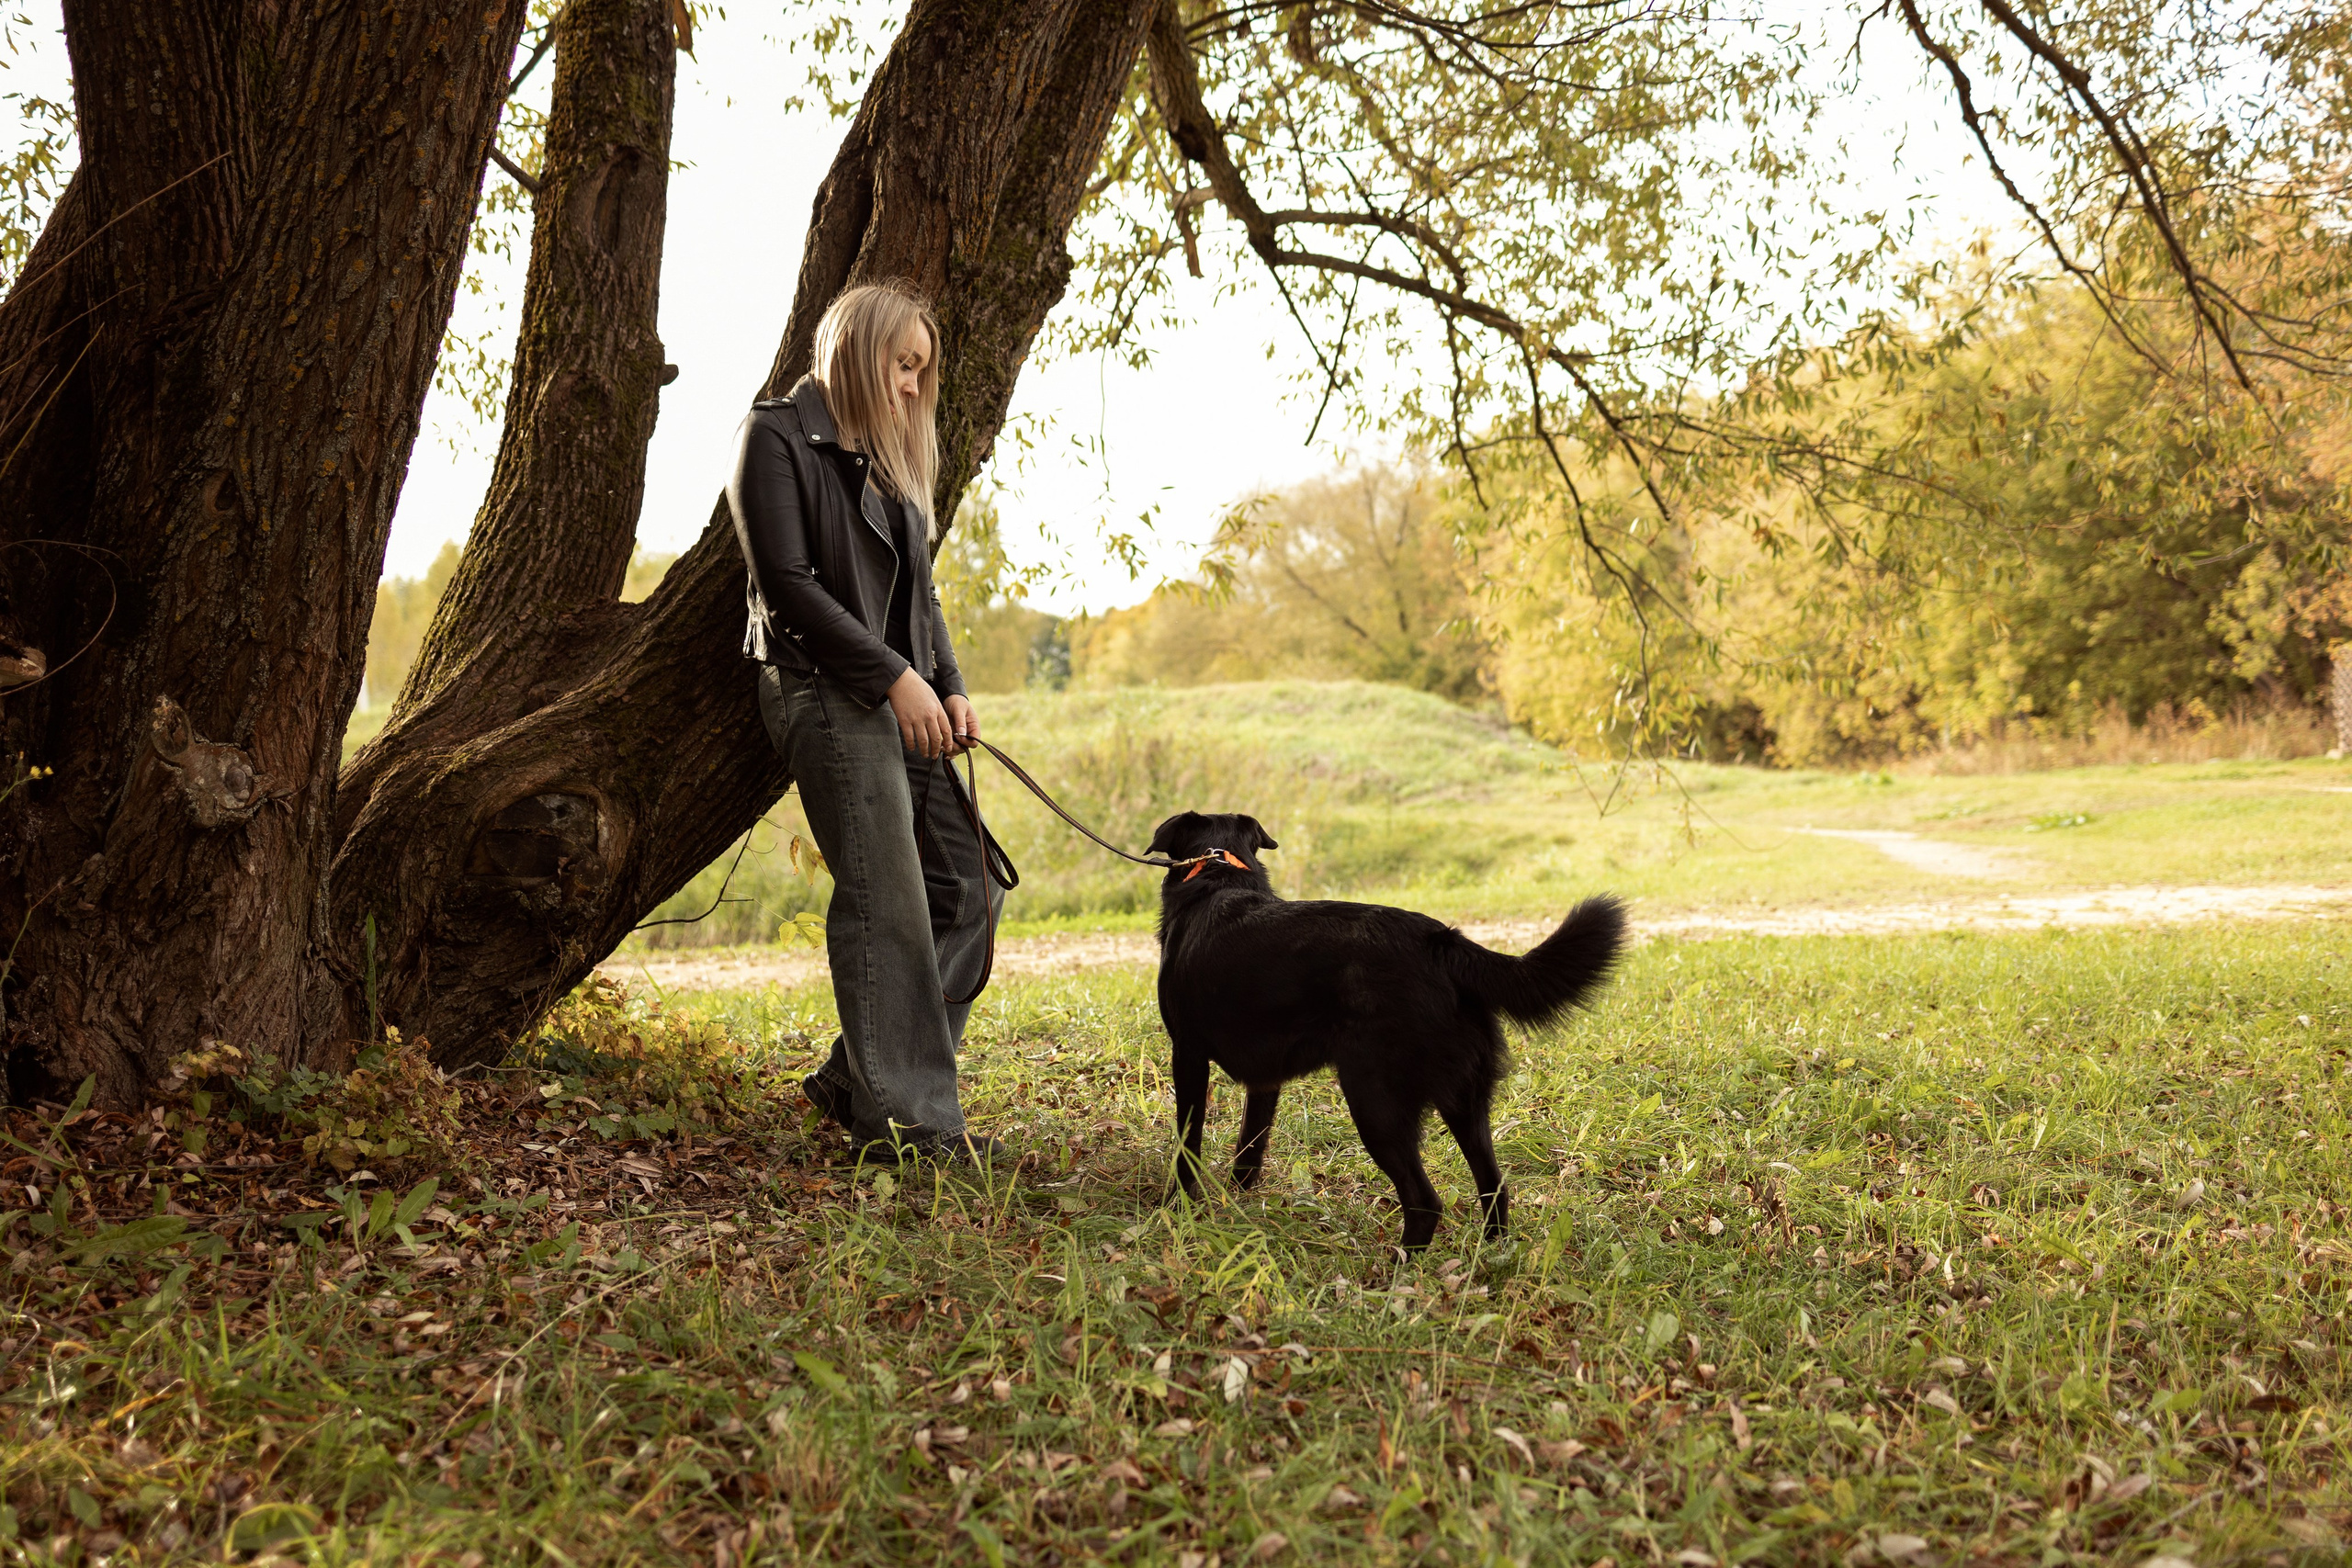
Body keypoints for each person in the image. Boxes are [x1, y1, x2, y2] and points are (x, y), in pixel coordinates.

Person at [728, 280, 1004, 1164]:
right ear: (859, 351)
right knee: (888, 899)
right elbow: (790, 588)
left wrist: (947, 684)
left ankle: (859, 1077)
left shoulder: (890, 466)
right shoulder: (773, 436)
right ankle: (912, 1129)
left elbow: (921, 598)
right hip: (824, 691)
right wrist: (893, 679)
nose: (914, 387)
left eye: (924, 370)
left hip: (906, 699)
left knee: (971, 887)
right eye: (904, 364)